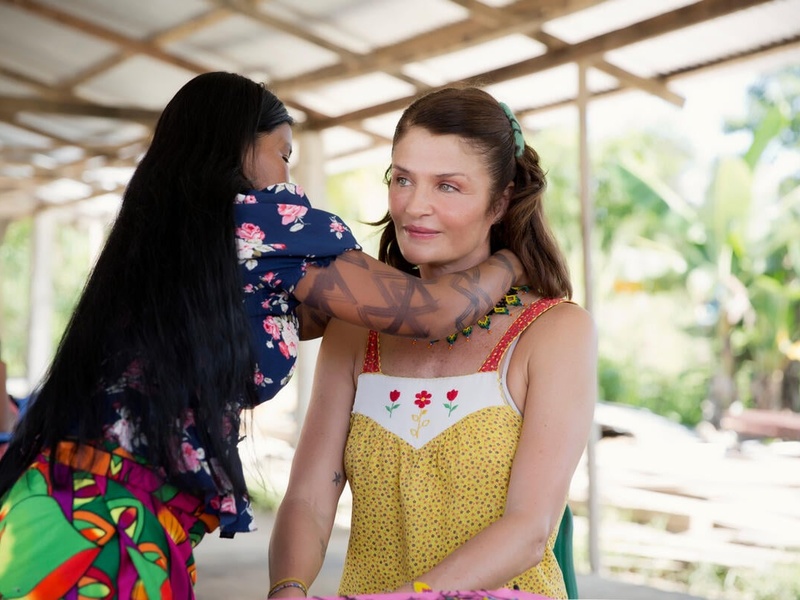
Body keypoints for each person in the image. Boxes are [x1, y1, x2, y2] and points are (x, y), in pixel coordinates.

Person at [0, 73, 525, 598]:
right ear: (237, 151)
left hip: (46, 502)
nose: (287, 176)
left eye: (447, 185)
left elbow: (312, 315)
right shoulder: (264, 222)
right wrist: (512, 257)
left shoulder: (170, 238)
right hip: (110, 525)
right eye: (283, 154)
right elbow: (433, 312)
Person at [268, 87, 597, 599]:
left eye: (447, 186)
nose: (414, 206)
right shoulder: (356, 330)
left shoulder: (553, 330)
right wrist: (286, 588)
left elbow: (530, 530)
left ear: (501, 200)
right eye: (402, 179)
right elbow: (310, 497)